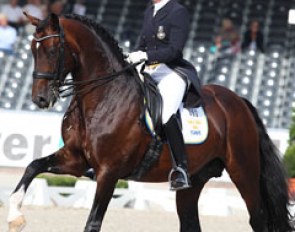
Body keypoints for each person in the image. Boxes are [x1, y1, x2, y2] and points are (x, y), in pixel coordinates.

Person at [127, 0, 201, 191]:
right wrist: (133, 55)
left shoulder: (178, 11)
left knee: (167, 112)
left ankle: (181, 168)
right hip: (150, 69)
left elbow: (175, 50)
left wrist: (146, 57)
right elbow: (142, 43)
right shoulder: (149, 11)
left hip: (172, 70)